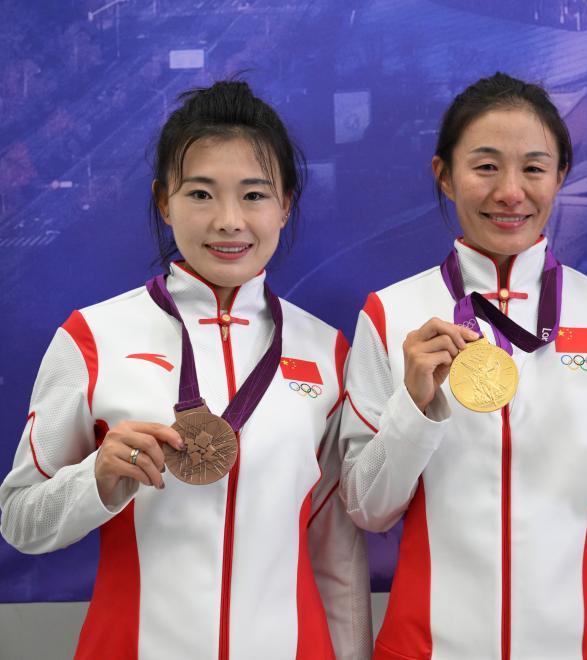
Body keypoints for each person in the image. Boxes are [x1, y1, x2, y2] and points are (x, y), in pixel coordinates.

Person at [0, 81, 371, 660]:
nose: (228, 221)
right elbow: (20, 520)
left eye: (254, 195)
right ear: (163, 201)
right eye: (200, 194)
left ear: (285, 204)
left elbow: (336, 550)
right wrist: (95, 479)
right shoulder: (93, 337)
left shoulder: (328, 351)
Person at [340, 72, 587, 659]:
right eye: (486, 166)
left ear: (561, 176)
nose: (511, 192)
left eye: (534, 168)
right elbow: (368, 509)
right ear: (444, 175)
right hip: (428, 647)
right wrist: (414, 408)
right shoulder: (391, 315)